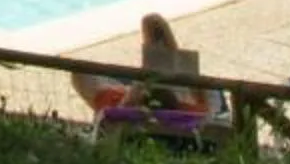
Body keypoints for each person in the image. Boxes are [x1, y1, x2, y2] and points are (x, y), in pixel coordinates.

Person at [70, 13, 205, 115]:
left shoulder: (130, 105)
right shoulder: (192, 108)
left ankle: (137, 82)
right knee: (151, 21)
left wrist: (135, 90)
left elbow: (121, 112)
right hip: (169, 99)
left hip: (130, 103)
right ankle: (167, 53)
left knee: (79, 72)